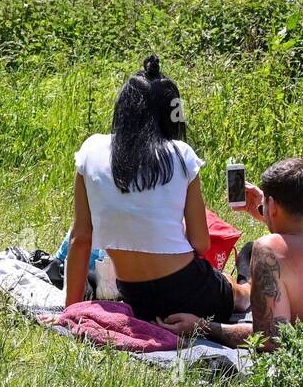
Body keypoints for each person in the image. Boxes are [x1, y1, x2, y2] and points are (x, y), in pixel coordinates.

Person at [61, 55, 250, 325]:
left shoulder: (91, 149)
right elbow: (201, 243)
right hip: (189, 291)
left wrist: (71, 313)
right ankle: (249, 287)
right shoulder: (181, 154)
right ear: (171, 114)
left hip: (134, 296)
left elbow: (80, 239)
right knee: (239, 290)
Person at [158, 158, 303, 350]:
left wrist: (202, 327)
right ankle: (287, 207)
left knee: (251, 253)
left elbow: (270, 340)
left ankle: (245, 293)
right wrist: (269, 210)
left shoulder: (269, 251)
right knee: (251, 251)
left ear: (272, 205)